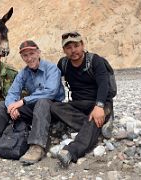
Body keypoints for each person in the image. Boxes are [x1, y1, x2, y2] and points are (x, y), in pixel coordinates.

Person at [0, 40, 65, 164]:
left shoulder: (52, 68)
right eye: (25, 55)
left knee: (43, 102)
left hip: (54, 109)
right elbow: (12, 93)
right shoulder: (23, 73)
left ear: (38, 53)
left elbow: (51, 92)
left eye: (32, 53)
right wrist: (12, 106)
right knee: (2, 105)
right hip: (35, 109)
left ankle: (37, 147)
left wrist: (23, 101)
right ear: (22, 57)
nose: (29, 58)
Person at [51, 31, 113, 167]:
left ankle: (71, 152)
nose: (73, 50)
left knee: (94, 117)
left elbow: (104, 85)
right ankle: (94, 127)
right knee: (54, 107)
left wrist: (99, 106)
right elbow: (52, 81)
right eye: (68, 47)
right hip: (78, 104)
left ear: (82, 45)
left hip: (99, 103)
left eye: (76, 46)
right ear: (64, 50)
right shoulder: (63, 64)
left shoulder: (95, 60)